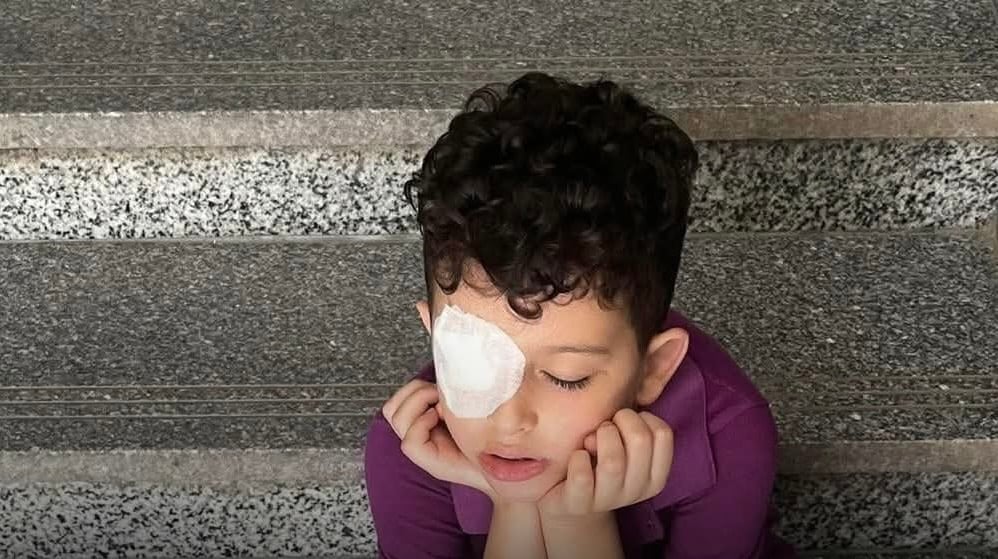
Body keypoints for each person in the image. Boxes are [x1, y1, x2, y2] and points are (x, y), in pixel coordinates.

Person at [364, 71, 798, 559]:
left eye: (566, 378)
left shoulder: (728, 435)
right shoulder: (409, 449)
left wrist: (578, 523)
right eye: (469, 362)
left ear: (653, 368)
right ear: (433, 334)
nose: (509, 420)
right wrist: (513, 504)